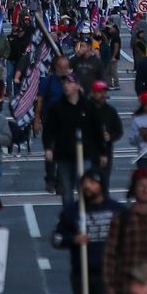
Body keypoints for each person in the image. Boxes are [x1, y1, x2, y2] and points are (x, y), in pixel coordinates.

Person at [51, 171, 119, 294]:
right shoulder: (72, 211)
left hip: (109, 274)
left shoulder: (115, 210)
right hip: (82, 273)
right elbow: (56, 238)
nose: (88, 186)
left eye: (92, 183)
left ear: (101, 186)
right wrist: (73, 239)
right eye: (84, 183)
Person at [45, 75, 96, 203]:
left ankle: (84, 219)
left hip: (84, 155)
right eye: (64, 83)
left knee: (84, 190)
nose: (66, 85)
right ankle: (69, 220)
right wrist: (48, 148)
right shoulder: (57, 107)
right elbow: (48, 130)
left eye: (69, 82)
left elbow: (97, 130)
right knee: (66, 192)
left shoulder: (88, 106)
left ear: (77, 86)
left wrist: (99, 152)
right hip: (64, 156)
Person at [87, 81, 125, 188]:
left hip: (105, 151)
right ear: (93, 93)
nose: (103, 95)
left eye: (104, 92)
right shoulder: (86, 109)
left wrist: (110, 137)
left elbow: (119, 131)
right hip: (88, 151)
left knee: (103, 182)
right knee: (88, 182)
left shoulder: (110, 111)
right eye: (99, 92)